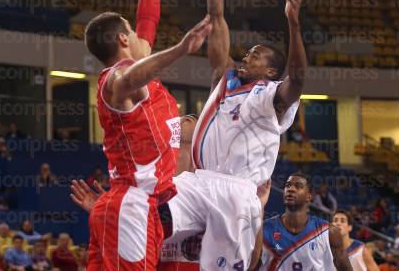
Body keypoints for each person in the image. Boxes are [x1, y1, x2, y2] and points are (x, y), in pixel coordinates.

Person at [83, 0, 212, 270]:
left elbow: (148, 16)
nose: (144, 35)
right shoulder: (116, 80)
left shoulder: (138, 72)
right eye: (133, 33)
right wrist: (182, 49)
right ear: (124, 40)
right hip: (131, 203)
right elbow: (133, 74)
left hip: (146, 206)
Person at [176, 0, 305, 269]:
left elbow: (299, 78)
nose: (248, 55)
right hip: (198, 181)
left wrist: (293, 25)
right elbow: (217, 16)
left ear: (271, 71)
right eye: (247, 52)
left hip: (237, 193)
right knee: (147, 218)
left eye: (257, 54)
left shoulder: (270, 97)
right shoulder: (224, 75)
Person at [70, 114, 272, 270]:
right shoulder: (149, 194)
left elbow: (250, 262)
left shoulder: (220, 196)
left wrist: (257, 210)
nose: (187, 121)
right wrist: (113, 216)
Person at [251, 173, 353, 270]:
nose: (291, 189)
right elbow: (251, 267)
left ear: (309, 196)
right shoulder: (264, 229)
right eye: (288, 185)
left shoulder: (329, 232)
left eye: (298, 186)